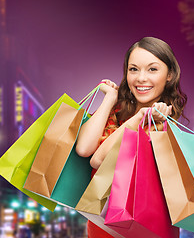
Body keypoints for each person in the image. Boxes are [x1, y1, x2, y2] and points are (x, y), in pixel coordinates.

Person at [76, 36, 187, 238]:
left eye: (152, 69)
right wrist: (109, 100)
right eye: (133, 69)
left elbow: (99, 160)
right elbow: (84, 149)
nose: (141, 78)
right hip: (103, 224)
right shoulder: (116, 111)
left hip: (146, 227)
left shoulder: (166, 126)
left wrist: (141, 118)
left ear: (169, 75)